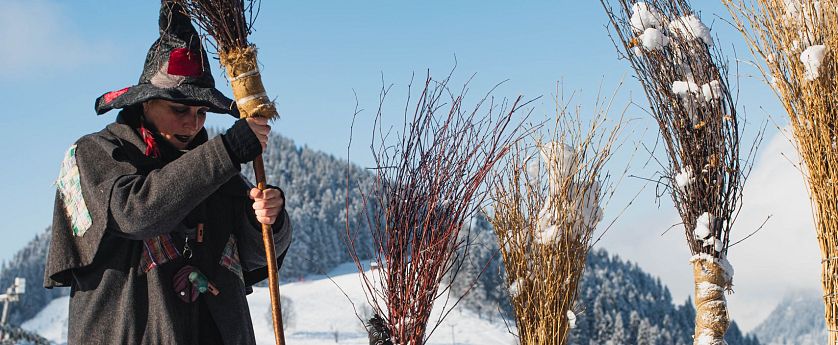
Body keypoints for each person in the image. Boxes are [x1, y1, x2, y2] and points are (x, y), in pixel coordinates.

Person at [43, 2, 292, 344]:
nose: (193, 123)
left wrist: (268, 220)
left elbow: (254, 257)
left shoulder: (217, 171)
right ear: (146, 102)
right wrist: (228, 151)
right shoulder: (97, 153)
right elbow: (135, 213)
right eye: (179, 109)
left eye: (202, 111)